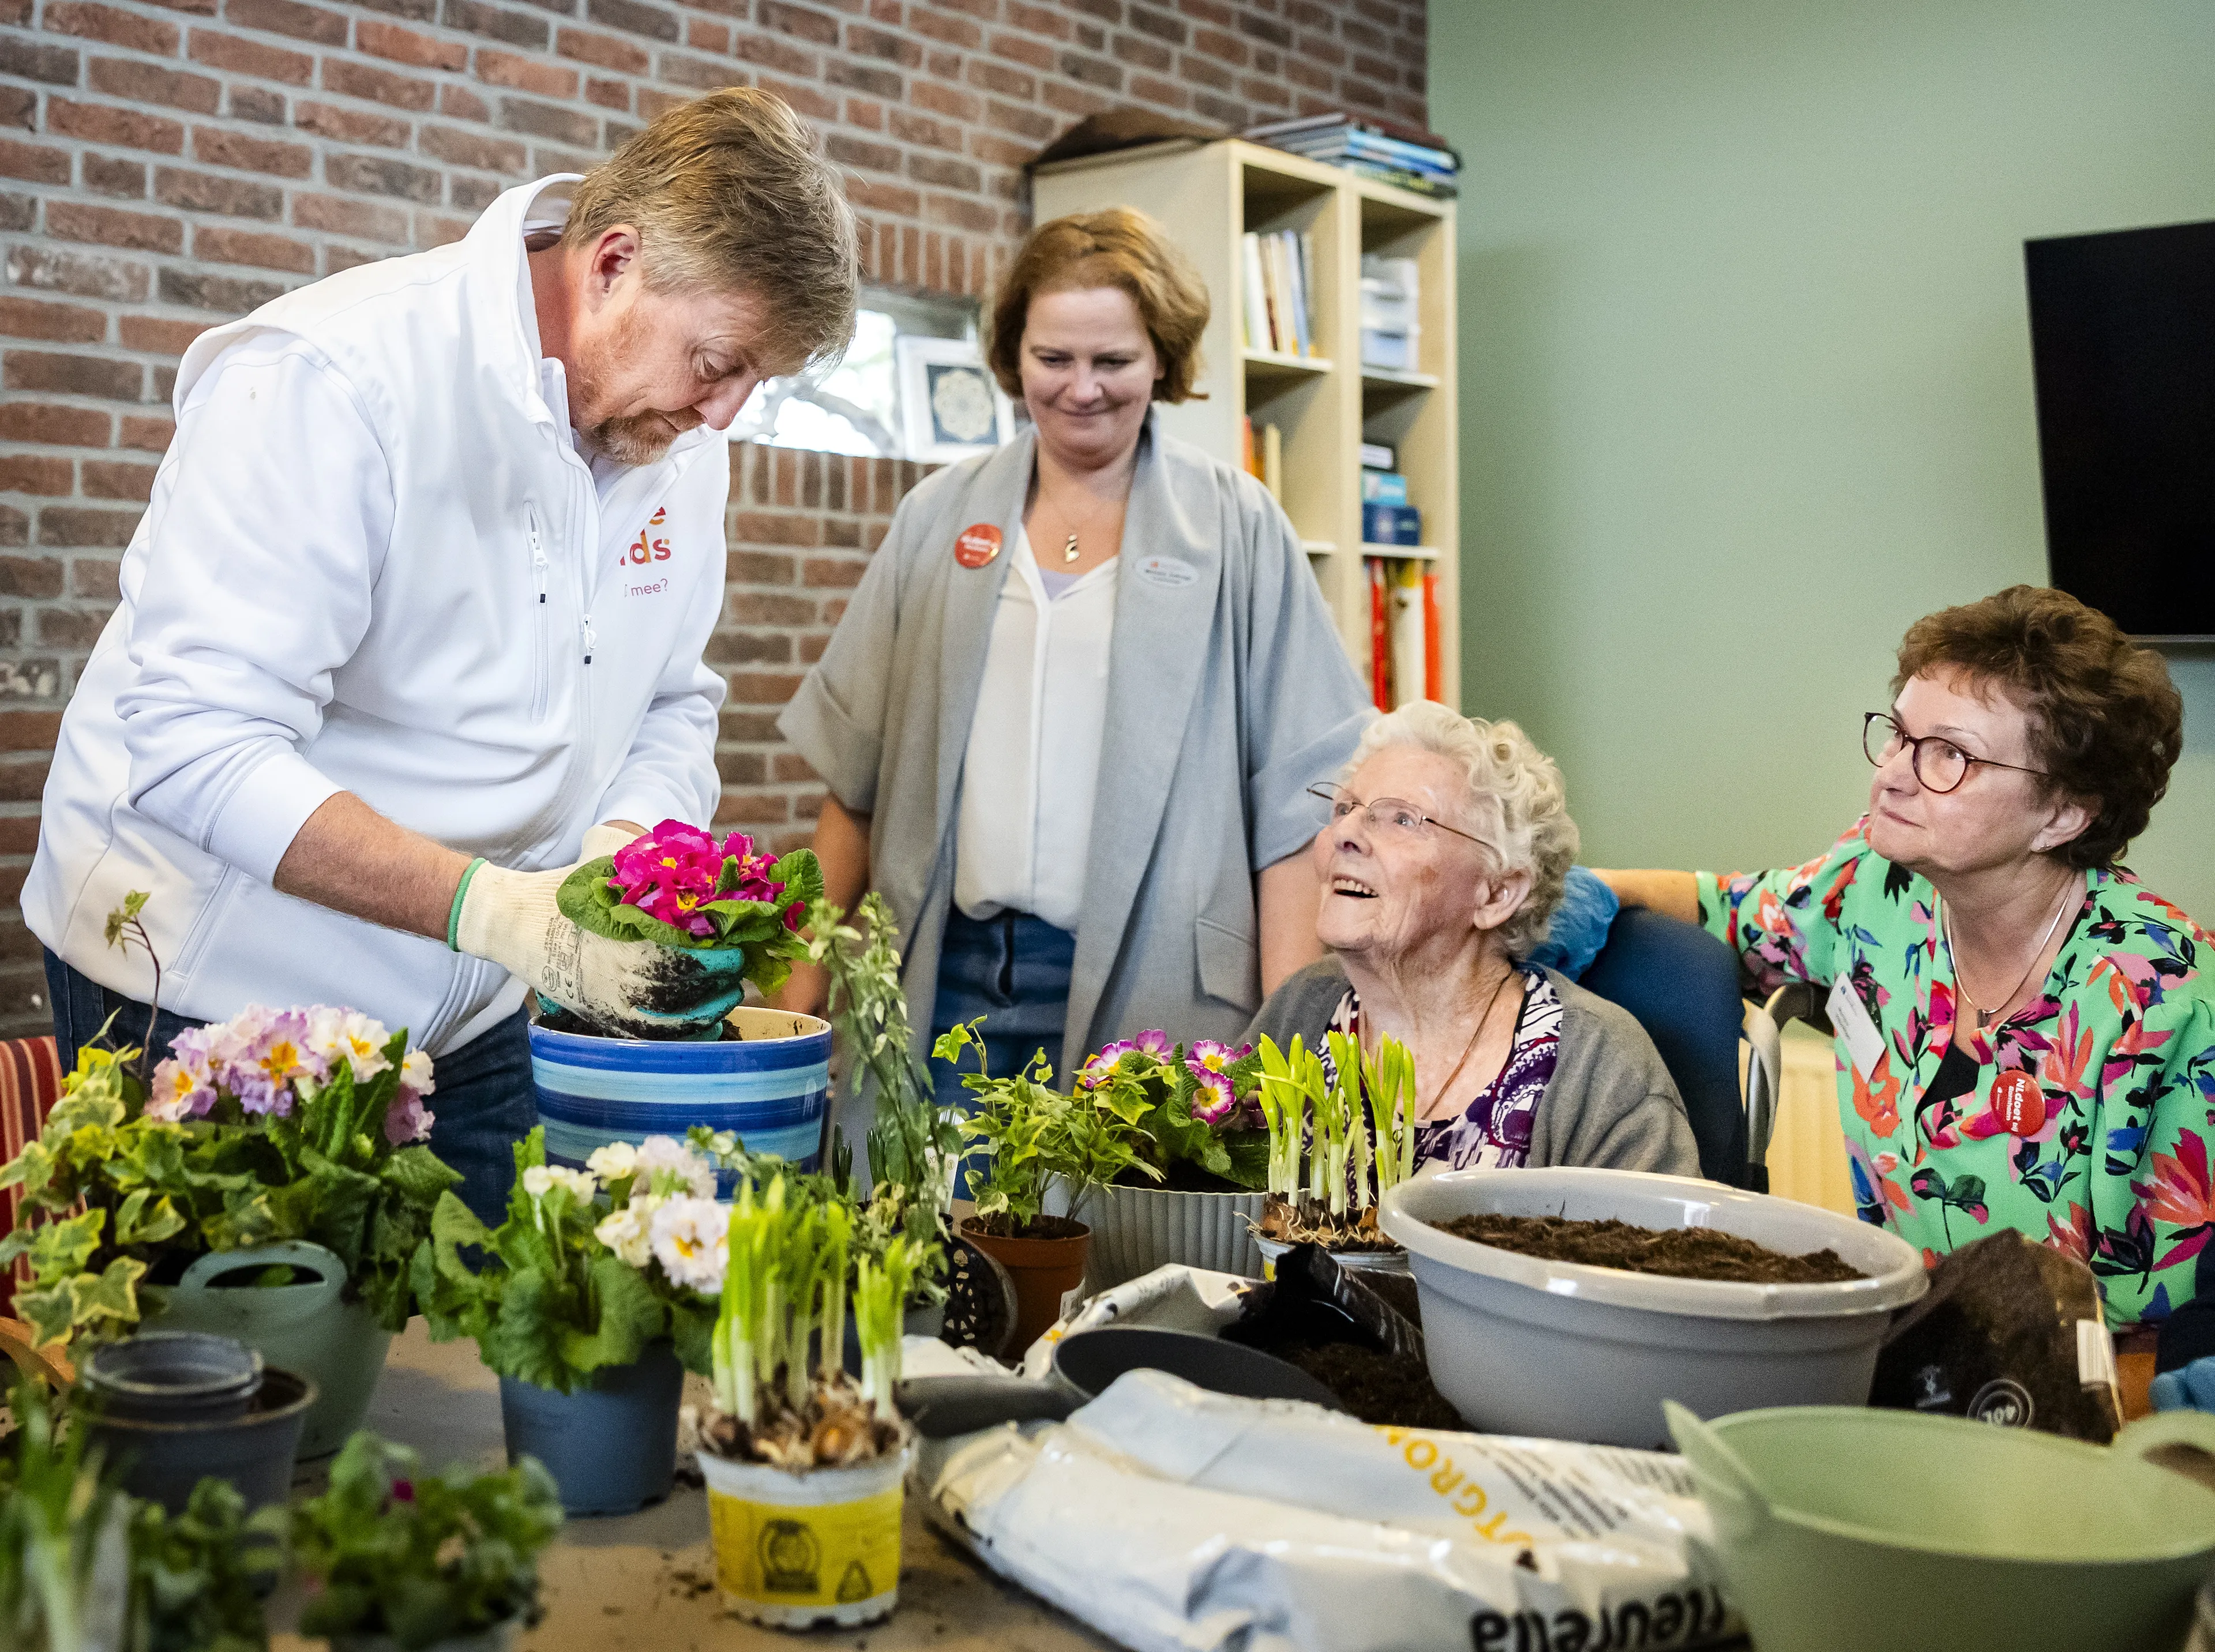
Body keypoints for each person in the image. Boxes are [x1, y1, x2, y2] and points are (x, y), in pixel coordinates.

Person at [22, 90, 858, 1222]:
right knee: (245, 1360)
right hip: (212, 989)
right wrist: (501, 912)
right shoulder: (335, 379)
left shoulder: (672, 437)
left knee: (505, 1320)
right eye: (718, 362)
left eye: (756, 378)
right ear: (613, 261)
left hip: (472, 1008)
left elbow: (669, 702)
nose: (726, 414)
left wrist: (614, 856)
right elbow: (195, 749)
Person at [776, 208, 1371, 1132]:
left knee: (1123, 1256)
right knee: (929, 1251)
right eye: (1054, 359)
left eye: (1114, 362)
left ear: (1164, 360)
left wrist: (1288, 1048)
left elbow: (1295, 818)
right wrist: (797, 996)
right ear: (1014, 356)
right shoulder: (938, 519)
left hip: (1161, 989)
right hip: (945, 980)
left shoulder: (1238, 529)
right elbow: (854, 786)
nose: (1082, 389)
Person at [1599, 585, 2213, 1332]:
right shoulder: (1877, 886)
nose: (1891, 772)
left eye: (1949, 755)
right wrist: (1553, 888)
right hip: (1897, 1347)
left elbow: (2170, 1336)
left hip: (2076, 1405)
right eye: (1897, 735)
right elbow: (1721, 909)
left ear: (2063, 813)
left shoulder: (2165, 1002)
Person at [1245, 703, 1700, 1175]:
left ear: (1496, 893)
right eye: (1344, 808)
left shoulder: (1601, 1069)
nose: (1344, 834)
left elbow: (1662, 1248)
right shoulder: (1302, 1008)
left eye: (1402, 819)